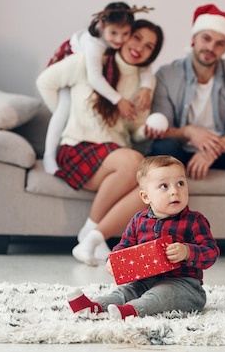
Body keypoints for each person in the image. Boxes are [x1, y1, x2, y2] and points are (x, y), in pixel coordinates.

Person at [36, 19, 165, 266]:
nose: (140, 47)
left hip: (113, 155)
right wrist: (65, 115)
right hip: (77, 148)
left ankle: (94, 237)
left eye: (149, 46)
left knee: (153, 187)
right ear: (124, 35)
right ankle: (88, 232)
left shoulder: (144, 83)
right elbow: (45, 82)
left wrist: (146, 132)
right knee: (133, 162)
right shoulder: (90, 62)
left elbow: (133, 129)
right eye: (137, 38)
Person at [146, 3, 225, 231]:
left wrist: (214, 148)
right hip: (181, 151)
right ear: (194, 39)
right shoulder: (167, 74)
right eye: (206, 38)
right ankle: (163, 232)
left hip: (222, 150)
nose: (211, 47)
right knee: (164, 147)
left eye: (220, 43)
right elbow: (162, 128)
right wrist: (190, 131)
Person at [67, 155, 220, 320]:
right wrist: (113, 260)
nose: (175, 191)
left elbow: (211, 252)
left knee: (160, 295)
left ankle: (130, 311)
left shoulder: (194, 220)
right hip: (144, 281)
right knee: (124, 291)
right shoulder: (138, 220)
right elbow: (124, 245)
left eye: (180, 183)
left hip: (185, 286)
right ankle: (94, 306)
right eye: (164, 186)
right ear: (146, 197)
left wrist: (187, 252)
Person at [41, 2, 155, 174]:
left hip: (114, 145)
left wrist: (146, 88)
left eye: (125, 34)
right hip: (67, 72)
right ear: (102, 26)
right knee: (63, 110)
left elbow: (147, 68)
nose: (119, 39)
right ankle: (49, 156)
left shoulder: (120, 53)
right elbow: (94, 78)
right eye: (113, 33)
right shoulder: (94, 45)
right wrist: (119, 100)